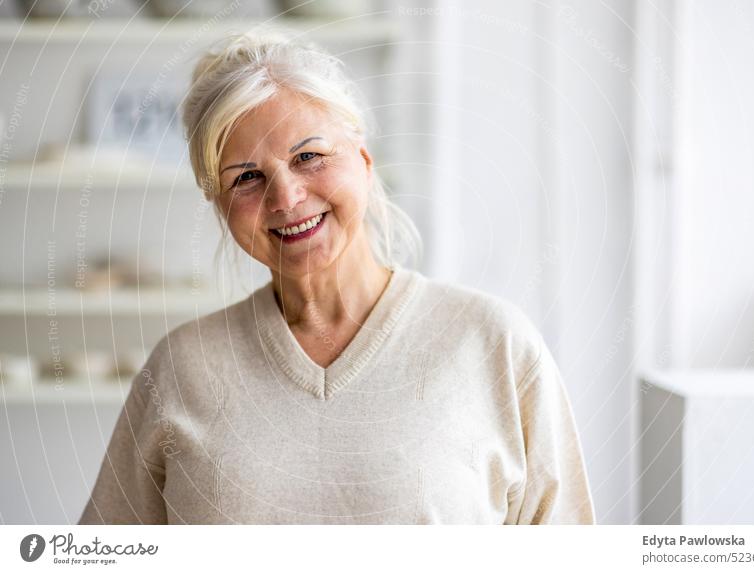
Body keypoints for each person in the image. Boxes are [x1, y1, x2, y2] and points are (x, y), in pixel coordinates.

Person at [78, 28, 595, 525]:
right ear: (220, 206)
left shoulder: (495, 344)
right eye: (247, 178)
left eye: (309, 156)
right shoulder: (180, 368)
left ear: (365, 163)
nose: (286, 199)